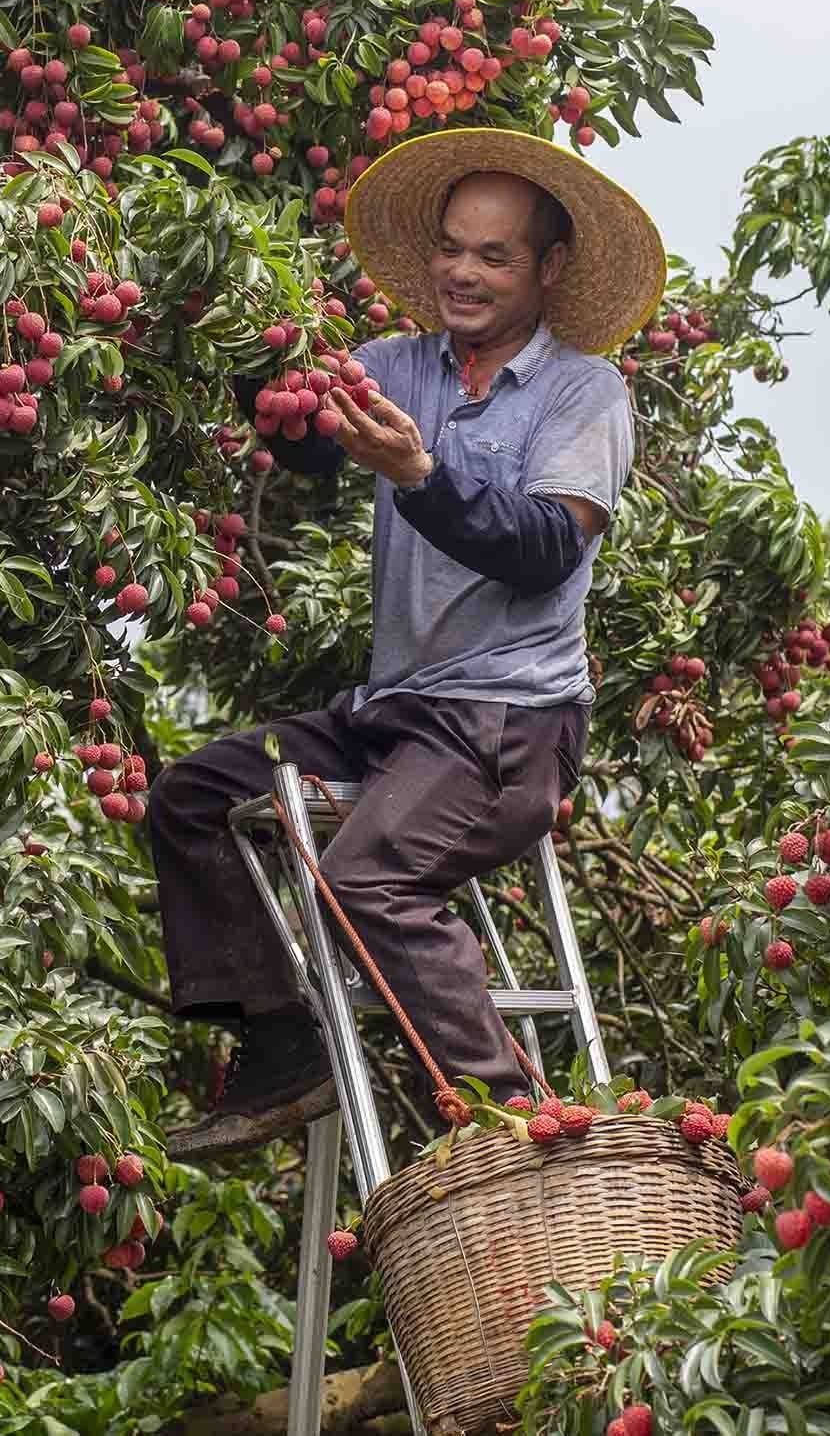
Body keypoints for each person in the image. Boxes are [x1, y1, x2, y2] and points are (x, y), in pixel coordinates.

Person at [150, 126, 662, 1161]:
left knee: (365, 877)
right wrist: (271, 361)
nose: (460, 274)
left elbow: (538, 550)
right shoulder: (394, 364)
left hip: (507, 721)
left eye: (492, 255)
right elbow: (299, 432)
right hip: (392, 714)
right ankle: (280, 1040)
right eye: (450, 248)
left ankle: (513, 1126)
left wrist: (420, 475)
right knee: (191, 796)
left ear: (546, 269)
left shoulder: (583, 394)